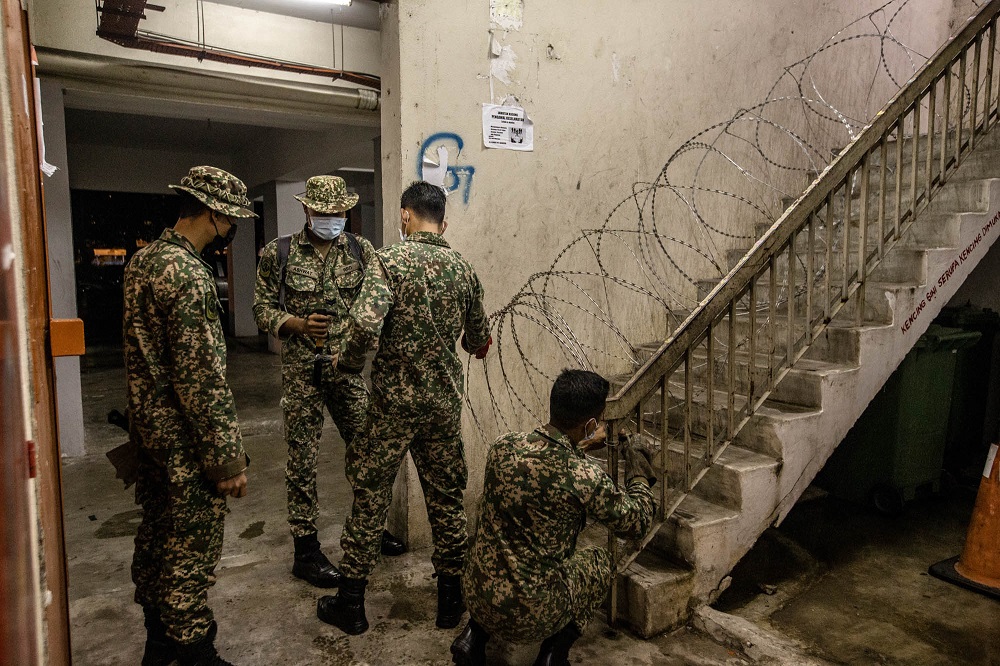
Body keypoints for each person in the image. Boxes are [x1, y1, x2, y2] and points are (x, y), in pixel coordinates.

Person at [316, 180, 492, 635]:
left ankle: (352, 604)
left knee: (370, 494)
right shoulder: (464, 270)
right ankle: (450, 604)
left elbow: (364, 326)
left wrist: (346, 365)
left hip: (392, 405)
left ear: (404, 216)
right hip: (441, 405)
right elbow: (478, 342)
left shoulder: (388, 261)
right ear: (443, 221)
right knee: (447, 499)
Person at [124, 166, 254, 666]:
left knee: (156, 534)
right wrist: (227, 462)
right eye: (231, 219)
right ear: (214, 213)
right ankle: (195, 650)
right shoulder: (189, 275)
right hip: (183, 441)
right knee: (191, 546)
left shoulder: (144, 261)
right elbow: (200, 380)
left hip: (149, 434)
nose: (232, 228)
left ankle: (157, 644)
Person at [252, 175, 406, 589]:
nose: (332, 219)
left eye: (339, 213)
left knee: (368, 448)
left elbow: (376, 303)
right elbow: (261, 308)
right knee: (302, 459)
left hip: (348, 368)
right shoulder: (278, 253)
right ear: (307, 210)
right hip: (303, 370)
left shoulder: (361, 250)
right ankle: (306, 550)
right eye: (324, 213)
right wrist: (296, 324)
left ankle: (368, 530)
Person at [451, 369, 657, 666]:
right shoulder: (584, 476)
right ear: (590, 424)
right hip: (533, 615)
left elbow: (544, 465)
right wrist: (637, 469)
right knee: (600, 561)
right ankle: (553, 654)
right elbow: (637, 523)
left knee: (494, 546)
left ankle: (472, 638)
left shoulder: (503, 446)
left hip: (477, 595)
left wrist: (580, 444)